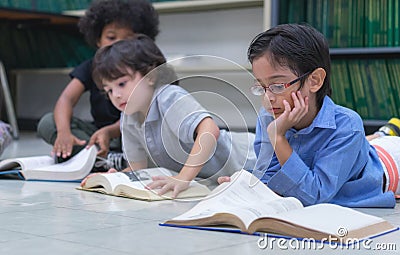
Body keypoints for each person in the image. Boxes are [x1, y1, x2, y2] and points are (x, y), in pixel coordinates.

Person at [219, 24, 398, 208]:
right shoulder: (269, 117)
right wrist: (244, 186)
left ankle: (387, 134)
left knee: (369, 144)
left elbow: (315, 195)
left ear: (315, 81)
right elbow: (270, 176)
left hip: (390, 163)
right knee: (365, 143)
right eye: (261, 87)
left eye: (278, 86)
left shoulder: (348, 125)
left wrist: (279, 138)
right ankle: (383, 133)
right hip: (360, 151)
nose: (268, 98)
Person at [85, 35, 256, 197]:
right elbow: (137, 168)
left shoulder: (168, 96)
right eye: (109, 90)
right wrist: (115, 178)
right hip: (221, 180)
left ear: (150, 76)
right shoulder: (128, 117)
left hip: (251, 159)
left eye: (122, 83)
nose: (115, 94)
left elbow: (210, 130)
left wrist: (183, 177)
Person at [36, 0, 159, 171]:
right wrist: (64, 133)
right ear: (97, 40)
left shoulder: (141, 69)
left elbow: (136, 117)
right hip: (99, 134)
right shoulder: (90, 66)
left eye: (127, 40)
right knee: (48, 123)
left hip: (133, 133)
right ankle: (106, 158)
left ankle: (101, 160)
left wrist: (110, 131)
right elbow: (66, 98)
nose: (117, 45)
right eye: (111, 37)